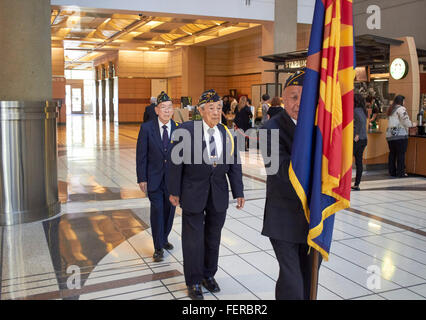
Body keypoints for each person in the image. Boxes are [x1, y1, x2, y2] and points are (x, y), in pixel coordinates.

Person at [168, 89, 245, 300]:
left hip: (218, 195)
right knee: (193, 240)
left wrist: (238, 191)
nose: (216, 112)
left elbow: (234, 165)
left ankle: (208, 275)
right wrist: (174, 191)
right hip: (193, 192)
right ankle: (193, 281)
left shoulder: (227, 133)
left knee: (213, 237)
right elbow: (175, 164)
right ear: (201, 111)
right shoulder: (186, 130)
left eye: (219, 108)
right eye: (211, 108)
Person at [261, 69, 322, 300]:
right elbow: (280, 172)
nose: (299, 103)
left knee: (309, 278)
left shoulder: (320, 129)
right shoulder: (271, 129)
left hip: (313, 217)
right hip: (283, 218)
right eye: (293, 97)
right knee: (292, 280)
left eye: (304, 97)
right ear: (283, 99)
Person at [136, 91, 178, 262]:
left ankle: (164, 237)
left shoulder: (179, 128)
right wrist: (141, 178)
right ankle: (158, 247)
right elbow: (141, 155)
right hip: (153, 179)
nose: (167, 111)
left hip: (172, 181)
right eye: (163, 108)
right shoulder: (147, 128)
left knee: (170, 212)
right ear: (156, 110)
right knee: (157, 211)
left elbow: (182, 157)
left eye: (170, 108)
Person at [386, 95, 413, 178]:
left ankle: (392, 172)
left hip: (390, 135)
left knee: (392, 154)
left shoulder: (391, 109)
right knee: (401, 154)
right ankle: (400, 173)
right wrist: (412, 124)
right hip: (400, 135)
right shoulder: (401, 109)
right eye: (404, 101)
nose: (404, 103)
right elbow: (405, 121)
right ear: (401, 101)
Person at [352, 93, 368, 191]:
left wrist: (356, 133)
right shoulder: (363, 110)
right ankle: (357, 184)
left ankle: (345, 183)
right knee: (359, 162)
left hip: (357, 139)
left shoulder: (355, 110)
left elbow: (360, 122)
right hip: (364, 139)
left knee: (347, 161)